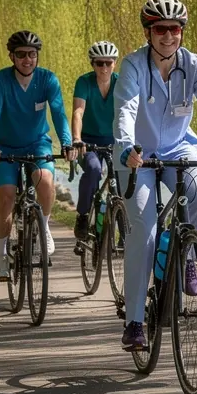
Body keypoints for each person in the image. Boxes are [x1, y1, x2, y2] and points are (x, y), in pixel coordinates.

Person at [114, 0, 197, 352]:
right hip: (136, 155)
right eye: (161, 29)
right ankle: (134, 322)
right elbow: (126, 109)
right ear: (148, 33)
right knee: (144, 228)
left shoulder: (194, 65)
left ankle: (187, 255)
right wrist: (126, 147)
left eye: (175, 29)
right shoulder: (131, 66)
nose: (169, 36)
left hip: (179, 149)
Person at [0, 31, 76, 282]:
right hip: (4, 146)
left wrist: (67, 142)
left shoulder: (48, 79)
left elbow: (58, 114)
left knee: (45, 179)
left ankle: (44, 227)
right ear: (12, 56)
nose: (27, 59)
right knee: (5, 196)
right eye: (21, 55)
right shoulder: (1, 81)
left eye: (32, 55)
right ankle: (1, 257)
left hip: (37, 143)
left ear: (37, 57)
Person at [71, 41, 119, 248]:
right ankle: (82, 214)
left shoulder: (121, 82)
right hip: (88, 141)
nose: (104, 68)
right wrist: (76, 139)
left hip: (115, 140)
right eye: (99, 64)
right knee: (93, 169)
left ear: (115, 63)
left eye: (108, 63)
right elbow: (78, 112)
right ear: (93, 64)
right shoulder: (84, 82)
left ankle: (122, 221)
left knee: (122, 176)